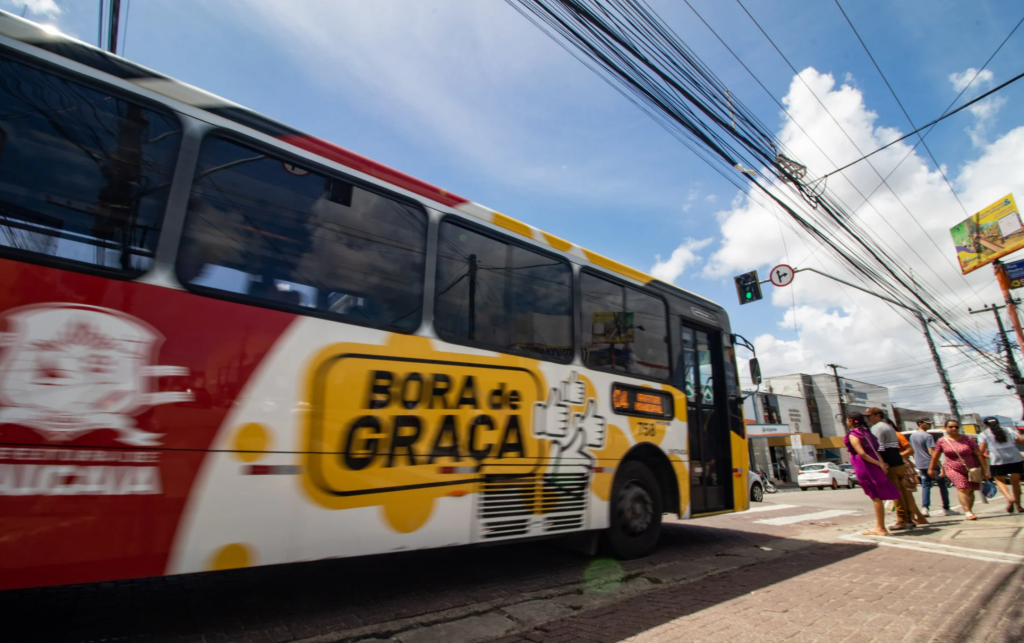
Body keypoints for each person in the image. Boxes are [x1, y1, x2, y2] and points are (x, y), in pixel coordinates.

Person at [844, 412, 901, 536]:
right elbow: (874, 450)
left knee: (875, 496)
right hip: (874, 464)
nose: (846, 422)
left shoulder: (854, 435)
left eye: (847, 420)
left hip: (865, 466)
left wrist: (879, 464)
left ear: (851, 421)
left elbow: (862, 453)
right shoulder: (867, 433)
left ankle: (880, 528)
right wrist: (880, 463)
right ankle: (880, 527)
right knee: (877, 496)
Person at [867, 407, 924, 529]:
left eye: (870, 416)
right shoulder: (889, 427)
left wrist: (880, 463)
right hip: (898, 462)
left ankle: (903, 519)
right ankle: (909, 518)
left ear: (878, 415)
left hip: (890, 463)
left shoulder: (877, 428)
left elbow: (878, 448)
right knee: (902, 491)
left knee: (896, 493)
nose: (868, 419)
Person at [929, 419, 987, 521]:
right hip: (953, 468)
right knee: (962, 488)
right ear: (945, 428)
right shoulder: (942, 441)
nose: (954, 429)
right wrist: (931, 468)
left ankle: (969, 509)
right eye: (951, 427)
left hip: (971, 469)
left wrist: (985, 470)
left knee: (970, 491)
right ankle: (967, 511)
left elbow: (978, 454)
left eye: (956, 427)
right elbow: (935, 456)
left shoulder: (968, 439)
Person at [909, 418, 956, 516]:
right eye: (927, 423)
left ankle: (925, 508)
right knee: (942, 486)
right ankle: (946, 508)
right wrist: (940, 464)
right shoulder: (928, 436)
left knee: (926, 486)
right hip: (932, 464)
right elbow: (932, 452)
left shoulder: (912, 436)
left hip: (921, 464)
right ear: (920, 424)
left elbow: (913, 451)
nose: (929, 425)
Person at [978, 416, 1024, 513]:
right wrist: (1019, 434)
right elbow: (1021, 442)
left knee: (999, 481)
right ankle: (1019, 506)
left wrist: (981, 463)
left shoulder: (984, 434)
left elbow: (981, 451)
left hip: (998, 460)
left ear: (985, 425)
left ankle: (1009, 498)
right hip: (1015, 458)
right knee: (1016, 483)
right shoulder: (1009, 430)